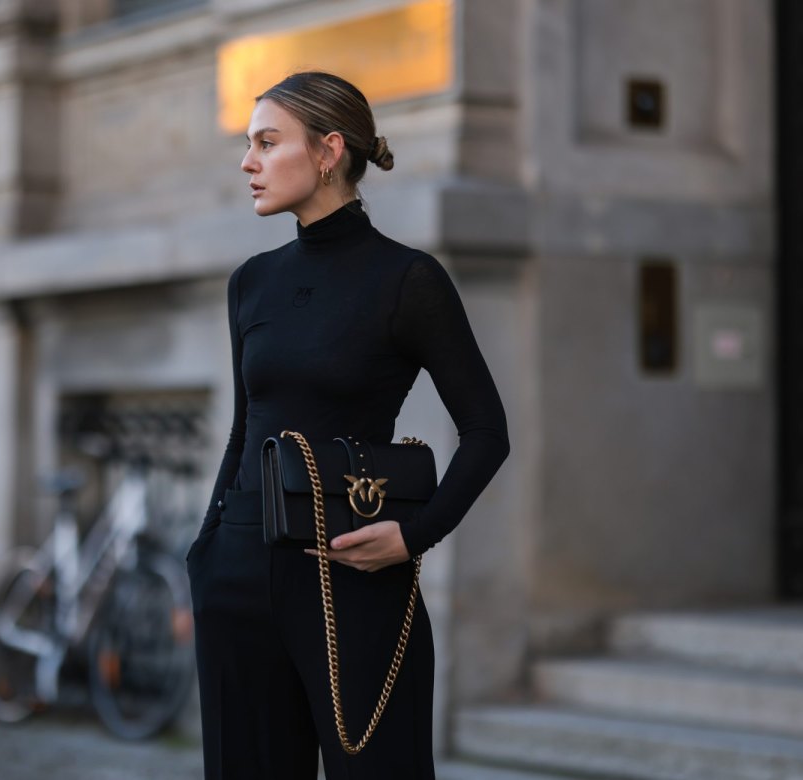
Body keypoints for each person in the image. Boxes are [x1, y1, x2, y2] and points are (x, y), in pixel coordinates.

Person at [185, 71, 510, 779]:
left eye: (268, 143)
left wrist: (415, 535)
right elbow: (246, 429)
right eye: (249, 145)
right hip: (238, 577)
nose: (248, 162)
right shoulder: (252, 281)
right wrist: (207, 550)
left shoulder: (407, 280)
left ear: (329, 150)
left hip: (354, 578)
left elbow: (487, 430)